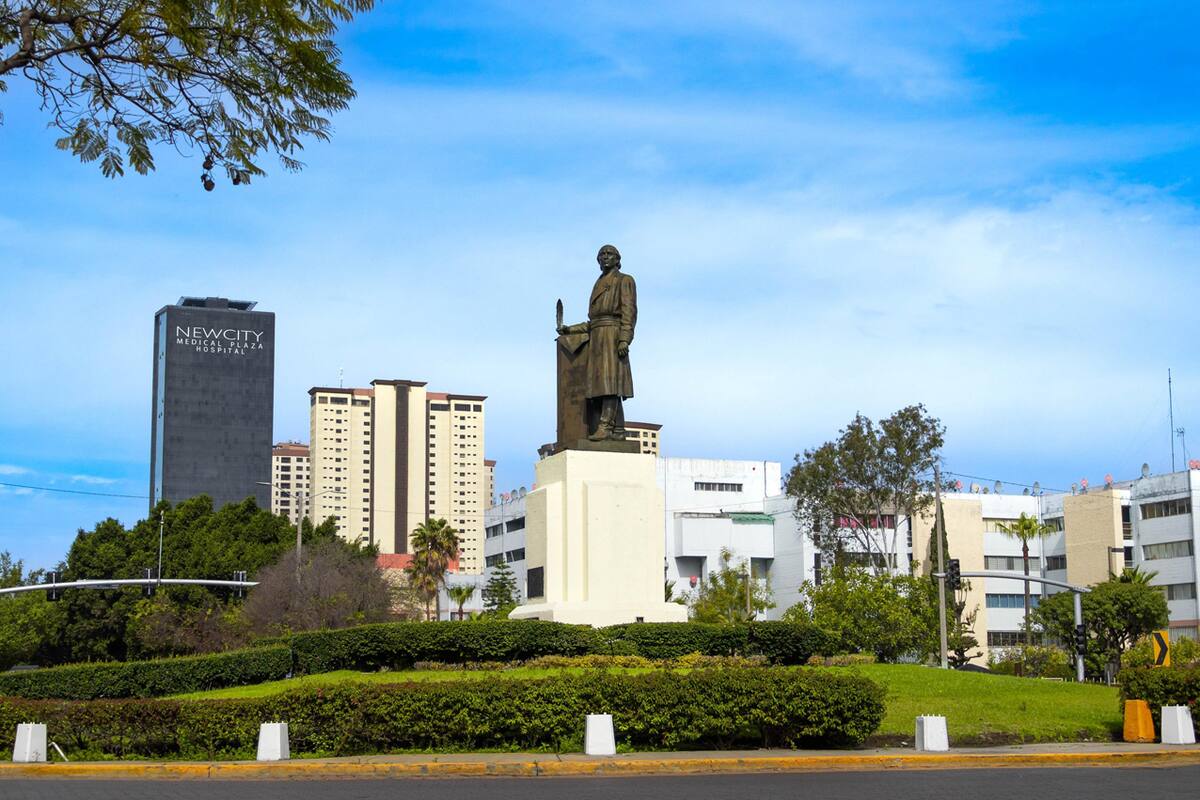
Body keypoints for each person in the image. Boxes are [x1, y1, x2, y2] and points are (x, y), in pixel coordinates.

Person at [558, 244, 637, 441]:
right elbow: (592, 323)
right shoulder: (598, 283)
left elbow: (629, 312)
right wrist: (569, 329)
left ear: (617, 258)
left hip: (612, 336)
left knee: (609, 383)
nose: (605, 257)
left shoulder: (624, 280)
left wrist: (624, 339)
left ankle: (606, 426)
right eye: (601, 254)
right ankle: (618, 429)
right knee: (602, 384)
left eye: (609, 254)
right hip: (598, 337)